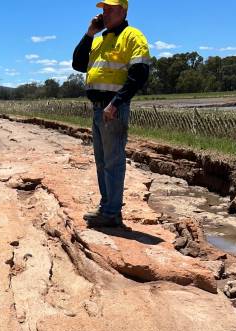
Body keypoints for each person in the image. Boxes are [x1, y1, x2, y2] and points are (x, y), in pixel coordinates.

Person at [71, 0, 151, 229]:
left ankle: (112, 212)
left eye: (110, 10)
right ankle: (107, 206)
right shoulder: (101, 39)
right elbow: (78, 63)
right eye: (103, 10)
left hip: (112, 108)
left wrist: (116, 103)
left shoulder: (132, 36)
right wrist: (89, 34)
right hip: (98, 109)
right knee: (102, 162)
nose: (105, 14)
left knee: (113, 162)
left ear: (123, 11)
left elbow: (139, 73)